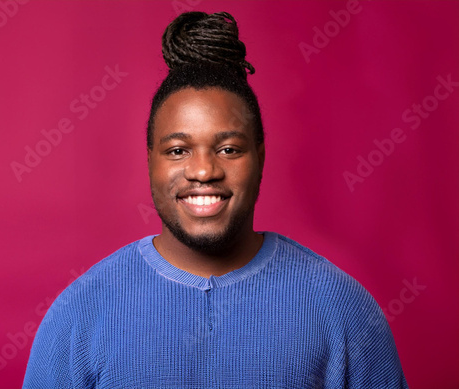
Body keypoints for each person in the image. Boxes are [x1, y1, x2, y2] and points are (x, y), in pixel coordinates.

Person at [23, 11, 408, 389]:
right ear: (149, 160)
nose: (204, 171)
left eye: (228, 149)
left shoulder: (342, 309)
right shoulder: (79, 315)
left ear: (260, 156)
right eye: (177, 151)